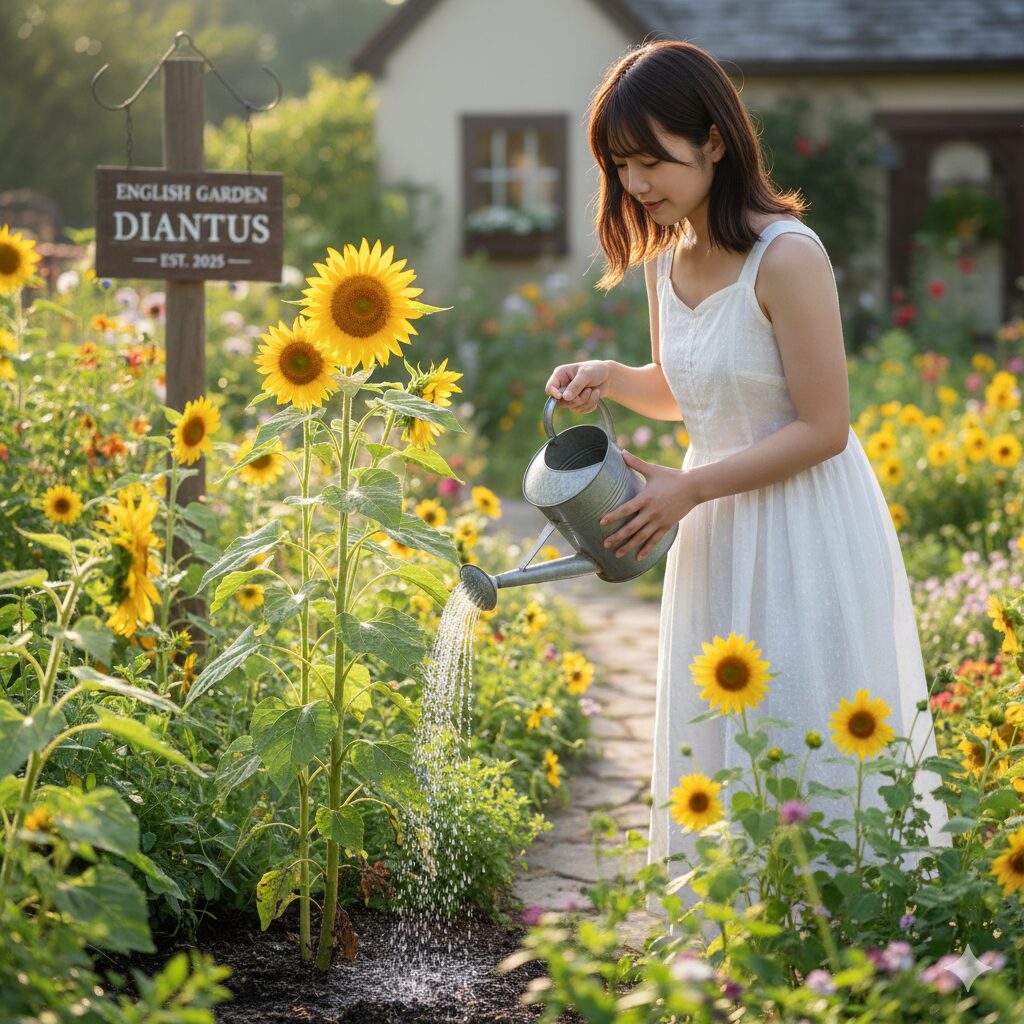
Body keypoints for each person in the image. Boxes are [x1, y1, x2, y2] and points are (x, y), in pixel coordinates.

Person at [543, 40, 951, 933]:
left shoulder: (788, 256)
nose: (635, 183)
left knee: (810, 718)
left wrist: (691, 490)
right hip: (718, 524)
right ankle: (735, 940)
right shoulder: (667, 256)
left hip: (806, 520)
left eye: (651, 160)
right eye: (619, 165)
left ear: (715, 141)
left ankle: (848, 940)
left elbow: (823, 425)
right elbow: (685, 387)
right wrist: (612, 376)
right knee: (724, 740)